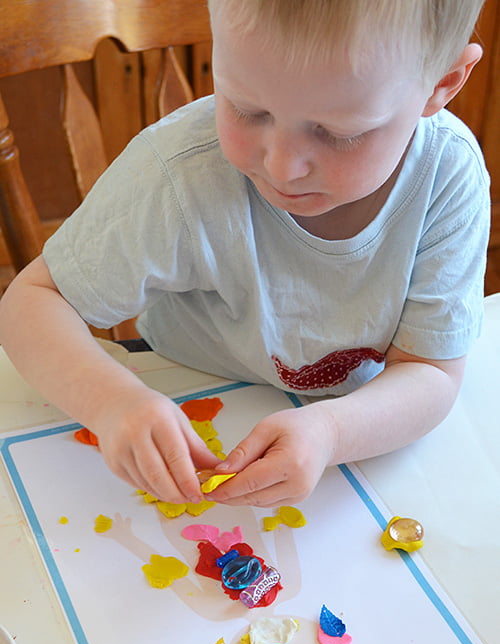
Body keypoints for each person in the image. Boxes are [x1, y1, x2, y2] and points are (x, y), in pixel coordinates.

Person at [0, 0, 490, 508]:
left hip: (358, 429)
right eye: (246, 108)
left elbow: (430, 372)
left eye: (340, 133)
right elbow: (32, 302)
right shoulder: (180, 174)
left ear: (443, 83)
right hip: (185, 394)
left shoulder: (446, 177)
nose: (281, 166)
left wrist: (331, 431)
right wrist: (107, 400)